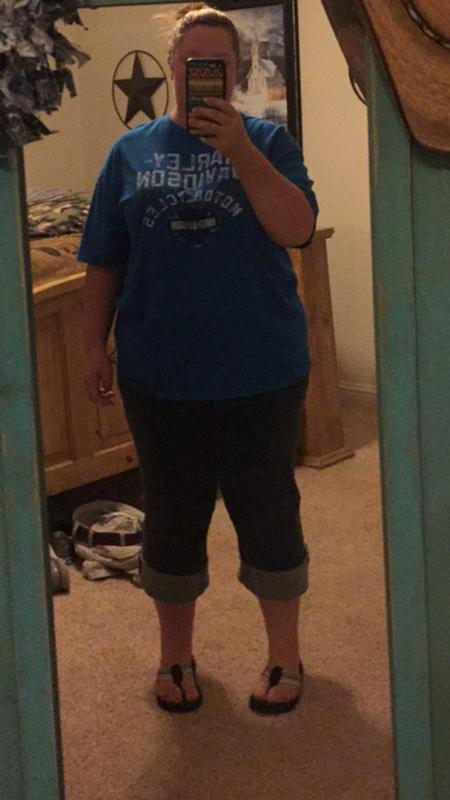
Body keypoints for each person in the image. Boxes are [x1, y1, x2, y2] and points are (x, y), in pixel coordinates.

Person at [79, 2, 318, 716]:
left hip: (261, 371)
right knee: (172, 517)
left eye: (217, 64)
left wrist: (240, 150)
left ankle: (285, 655)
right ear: (173, 69)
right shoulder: (129, 153)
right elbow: (103, 260)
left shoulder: (269, 142)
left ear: (236, 72)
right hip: (161, 375)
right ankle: (175, 655)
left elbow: (298, 229)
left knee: (268, 512)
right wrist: (92, 346)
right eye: (191, 64)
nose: (202, 74)